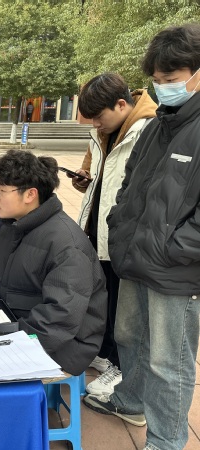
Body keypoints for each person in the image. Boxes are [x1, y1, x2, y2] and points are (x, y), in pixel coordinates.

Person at [83, 24, 200, 450]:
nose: (162, 87)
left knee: (170, 362)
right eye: (157, 79)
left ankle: (166, 441)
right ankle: (130, 400)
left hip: (176, 271)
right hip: (135, 256)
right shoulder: (156, 127)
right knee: (129, 338)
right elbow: (130, 185)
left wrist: (174, 247)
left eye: (171, 79)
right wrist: (119, 226)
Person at [72, 73, 157, 397]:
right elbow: (96, 175)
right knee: (104, 298)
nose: (96, 124)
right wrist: (83, 179)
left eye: (99, 117)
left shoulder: (148, 129)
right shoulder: (102, 132)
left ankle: (122, 368)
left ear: (121, 104)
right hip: (99, 228)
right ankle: (106, 354)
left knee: (127, 310)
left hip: (129, 235)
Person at [0, 149, 107, 376]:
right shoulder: (14, 226)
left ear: (30, 195)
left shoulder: (67, 245)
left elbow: (60, 317)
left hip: (62, 345)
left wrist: (6, 342)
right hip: (19, 323)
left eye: (1, 190)